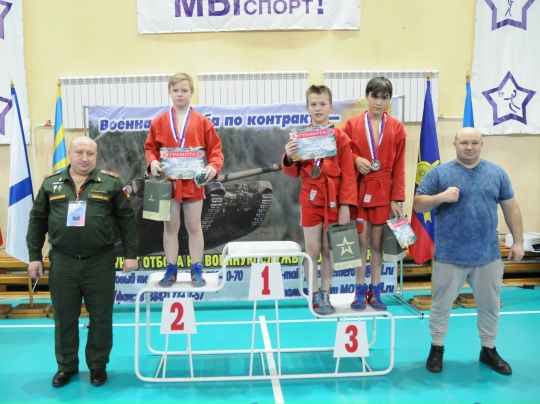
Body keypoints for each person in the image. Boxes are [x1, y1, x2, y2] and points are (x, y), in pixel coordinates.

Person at [27, 136, 139, 387]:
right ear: (70, 153)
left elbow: (127, 220)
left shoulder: (111, 183)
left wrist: (131, 254)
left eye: (90, 153)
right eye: (79, 152)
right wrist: (34, 256)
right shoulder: (51, 184)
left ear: (96, 156)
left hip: (100, 261)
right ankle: (66, 366)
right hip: (62, 262)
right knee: (64, 318)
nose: (84, 158)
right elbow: (37, 221)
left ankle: (98, 365)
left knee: (101, 317)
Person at [413, 127, 524, 375]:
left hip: (488, 255)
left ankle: (488, 349)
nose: (469, 147)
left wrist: (517, 241)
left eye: (474, 142)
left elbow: (511, 207)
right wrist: (441, 197)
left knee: (490, 306)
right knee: (441, 306)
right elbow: (418, 205)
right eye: (464, 142)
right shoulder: (440, 173)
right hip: (449, 255)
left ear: (482, 144)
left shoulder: (497, 173)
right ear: (455, 145)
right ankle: (437, 347)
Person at [282, 85, 357, 315]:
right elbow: (292, 171)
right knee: (312, 249)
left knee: (329, 250)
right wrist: (288, 155)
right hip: (310, 197)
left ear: (331, 107)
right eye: (313, 104)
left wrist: (345, 205)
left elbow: (348, 173)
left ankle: (326, 294)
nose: (318, 108)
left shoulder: (340, 137)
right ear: (307, 108)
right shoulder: (299, 137)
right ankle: (314, 294)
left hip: (334, 198)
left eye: (322, 104)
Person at [145, 73, 224, 287]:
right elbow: (150, 148)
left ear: (192, 93)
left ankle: (196, 268)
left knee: (193, 225)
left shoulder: (203, 122)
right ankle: (171, 269)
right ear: (169, 92)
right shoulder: (159, 122)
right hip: (167, 184)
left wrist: (212, 166)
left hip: (193, 183)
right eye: (176, 90)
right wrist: (152, 162)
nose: (180, 94)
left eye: (184, 90)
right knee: (170, 226)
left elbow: (216, 151)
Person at [341, 77, 407, 311]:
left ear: (389, 100)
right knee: (361, 242)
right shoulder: (352, 125)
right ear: (367, 96)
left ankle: (375, 290)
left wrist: (396, 198)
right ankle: (359, 289)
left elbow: (399, 166)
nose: (379, 102)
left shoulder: (397, 127)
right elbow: (341, 152)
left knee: (377, 243)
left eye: (384, 97)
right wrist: (355, 159)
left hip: (383, 192)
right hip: (360, 189)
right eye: (375, 96)